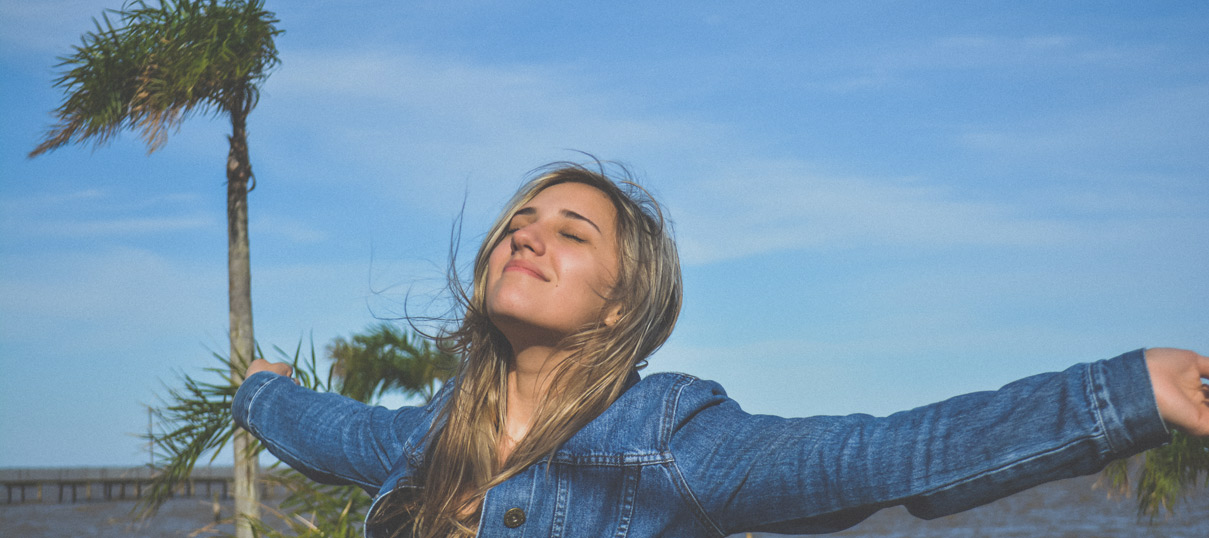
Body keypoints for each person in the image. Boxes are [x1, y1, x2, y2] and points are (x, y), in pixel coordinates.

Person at [234, 162, 1209, 538]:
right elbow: (327, 427)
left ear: (622, 306)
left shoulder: (672, 440)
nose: (526, 234)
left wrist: (1120, 394)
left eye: (573, 232)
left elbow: (878, 453)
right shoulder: (426, 437)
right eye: (520, 220)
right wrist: (262, 393)